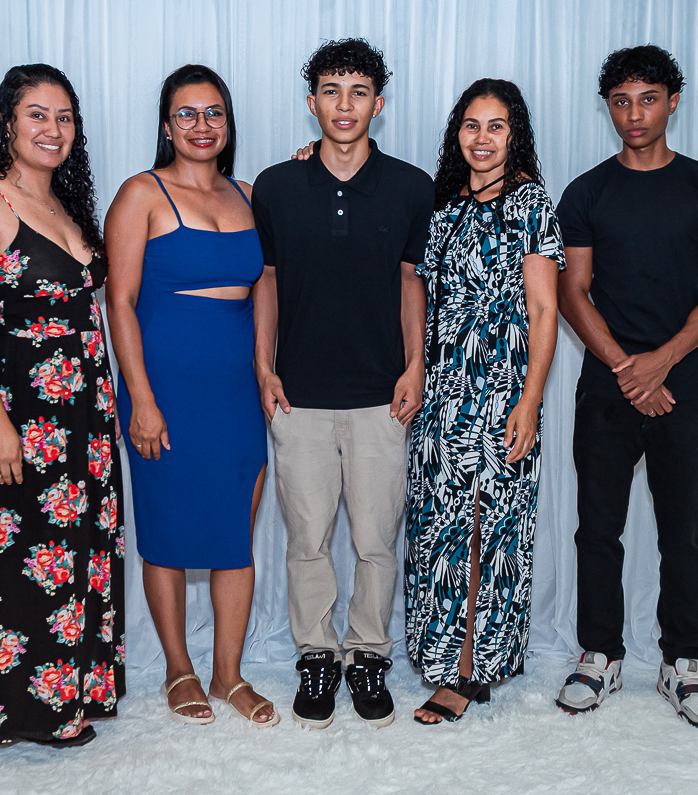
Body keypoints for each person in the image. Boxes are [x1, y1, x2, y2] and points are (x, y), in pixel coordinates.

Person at [554, 45, 698, 730]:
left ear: (672, 101)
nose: (634, 113)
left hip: (683, 387)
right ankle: (599, 654)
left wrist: (659, 362)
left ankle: (681, 660)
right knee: (597, 530)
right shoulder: (586, 192)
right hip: (607, 389)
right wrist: (628, 370)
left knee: (680, 532)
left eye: (648, 99)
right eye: (621, 101)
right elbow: (572, 292)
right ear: (608, 107)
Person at [0, 63, 125, 748]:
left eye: (64, 117)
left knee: (74, 551)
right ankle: (22, 709)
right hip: (16, 410)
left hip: (82, 415)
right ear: (6, 122)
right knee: (22, 553)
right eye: (37, 115)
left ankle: (71, 692)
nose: (53, 129)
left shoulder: (65, 206)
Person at [252, 39, 433, 730]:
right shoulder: (276, 185)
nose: (344, 104)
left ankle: (368, 654)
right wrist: (264, 366)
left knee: (376, 539)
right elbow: (267, 280)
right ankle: (317, 654)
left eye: (359, 91)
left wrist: (414, 363)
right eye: (331, 90)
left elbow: (411, 280)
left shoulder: (411, 186)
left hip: (380, 395)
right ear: (312, 102)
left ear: (378, 104)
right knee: (307, 538)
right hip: (297, 396)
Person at [104, 64, 277, 728]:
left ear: (228, 122)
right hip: (165, 389)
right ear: (166, 124)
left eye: (214, 113)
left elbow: (264, 287)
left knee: (235, 529)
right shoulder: (140, 194)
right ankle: (179, 668)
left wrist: (264, 368)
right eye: (187, 113)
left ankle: (229, 673)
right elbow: (119, 303)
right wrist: (141, 399)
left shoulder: (250, 194)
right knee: (168, 530)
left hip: (235, 390)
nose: (202, 125)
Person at [406, 79, 564, 724]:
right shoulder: (444, 208)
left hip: (502, 392)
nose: (482, 138)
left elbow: (545, 310)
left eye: (496, 126)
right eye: (471, 125)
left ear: (514, 134)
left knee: (487, 528)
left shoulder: (531, 204)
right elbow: (423, 298)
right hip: (444, 393)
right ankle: (447, 654)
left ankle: (469, 670)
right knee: (440, 527)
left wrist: (530, 401)